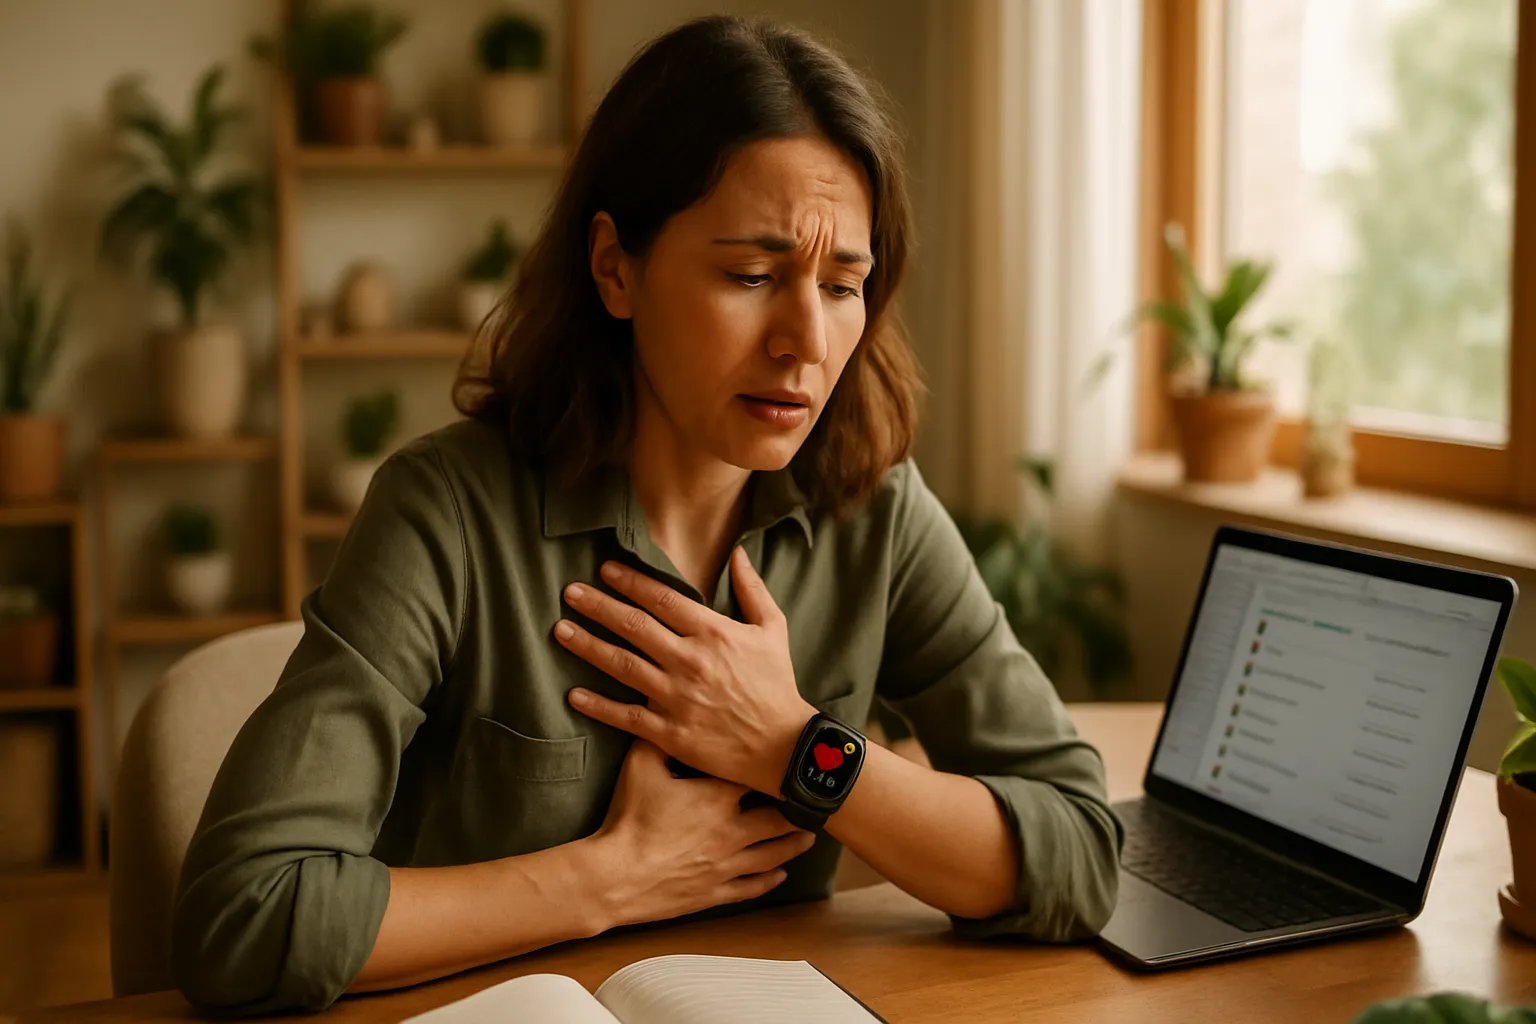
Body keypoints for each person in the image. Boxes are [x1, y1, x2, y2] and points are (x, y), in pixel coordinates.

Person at [170, 15, 1120, 1015]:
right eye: (751, 276)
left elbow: (1079, 852)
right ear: (615, 267)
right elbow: (244, 915)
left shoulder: (875, 506)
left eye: (844, 285)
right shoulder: (444, 511)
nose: (806, 339)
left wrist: (797, 747)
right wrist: (604, 878)